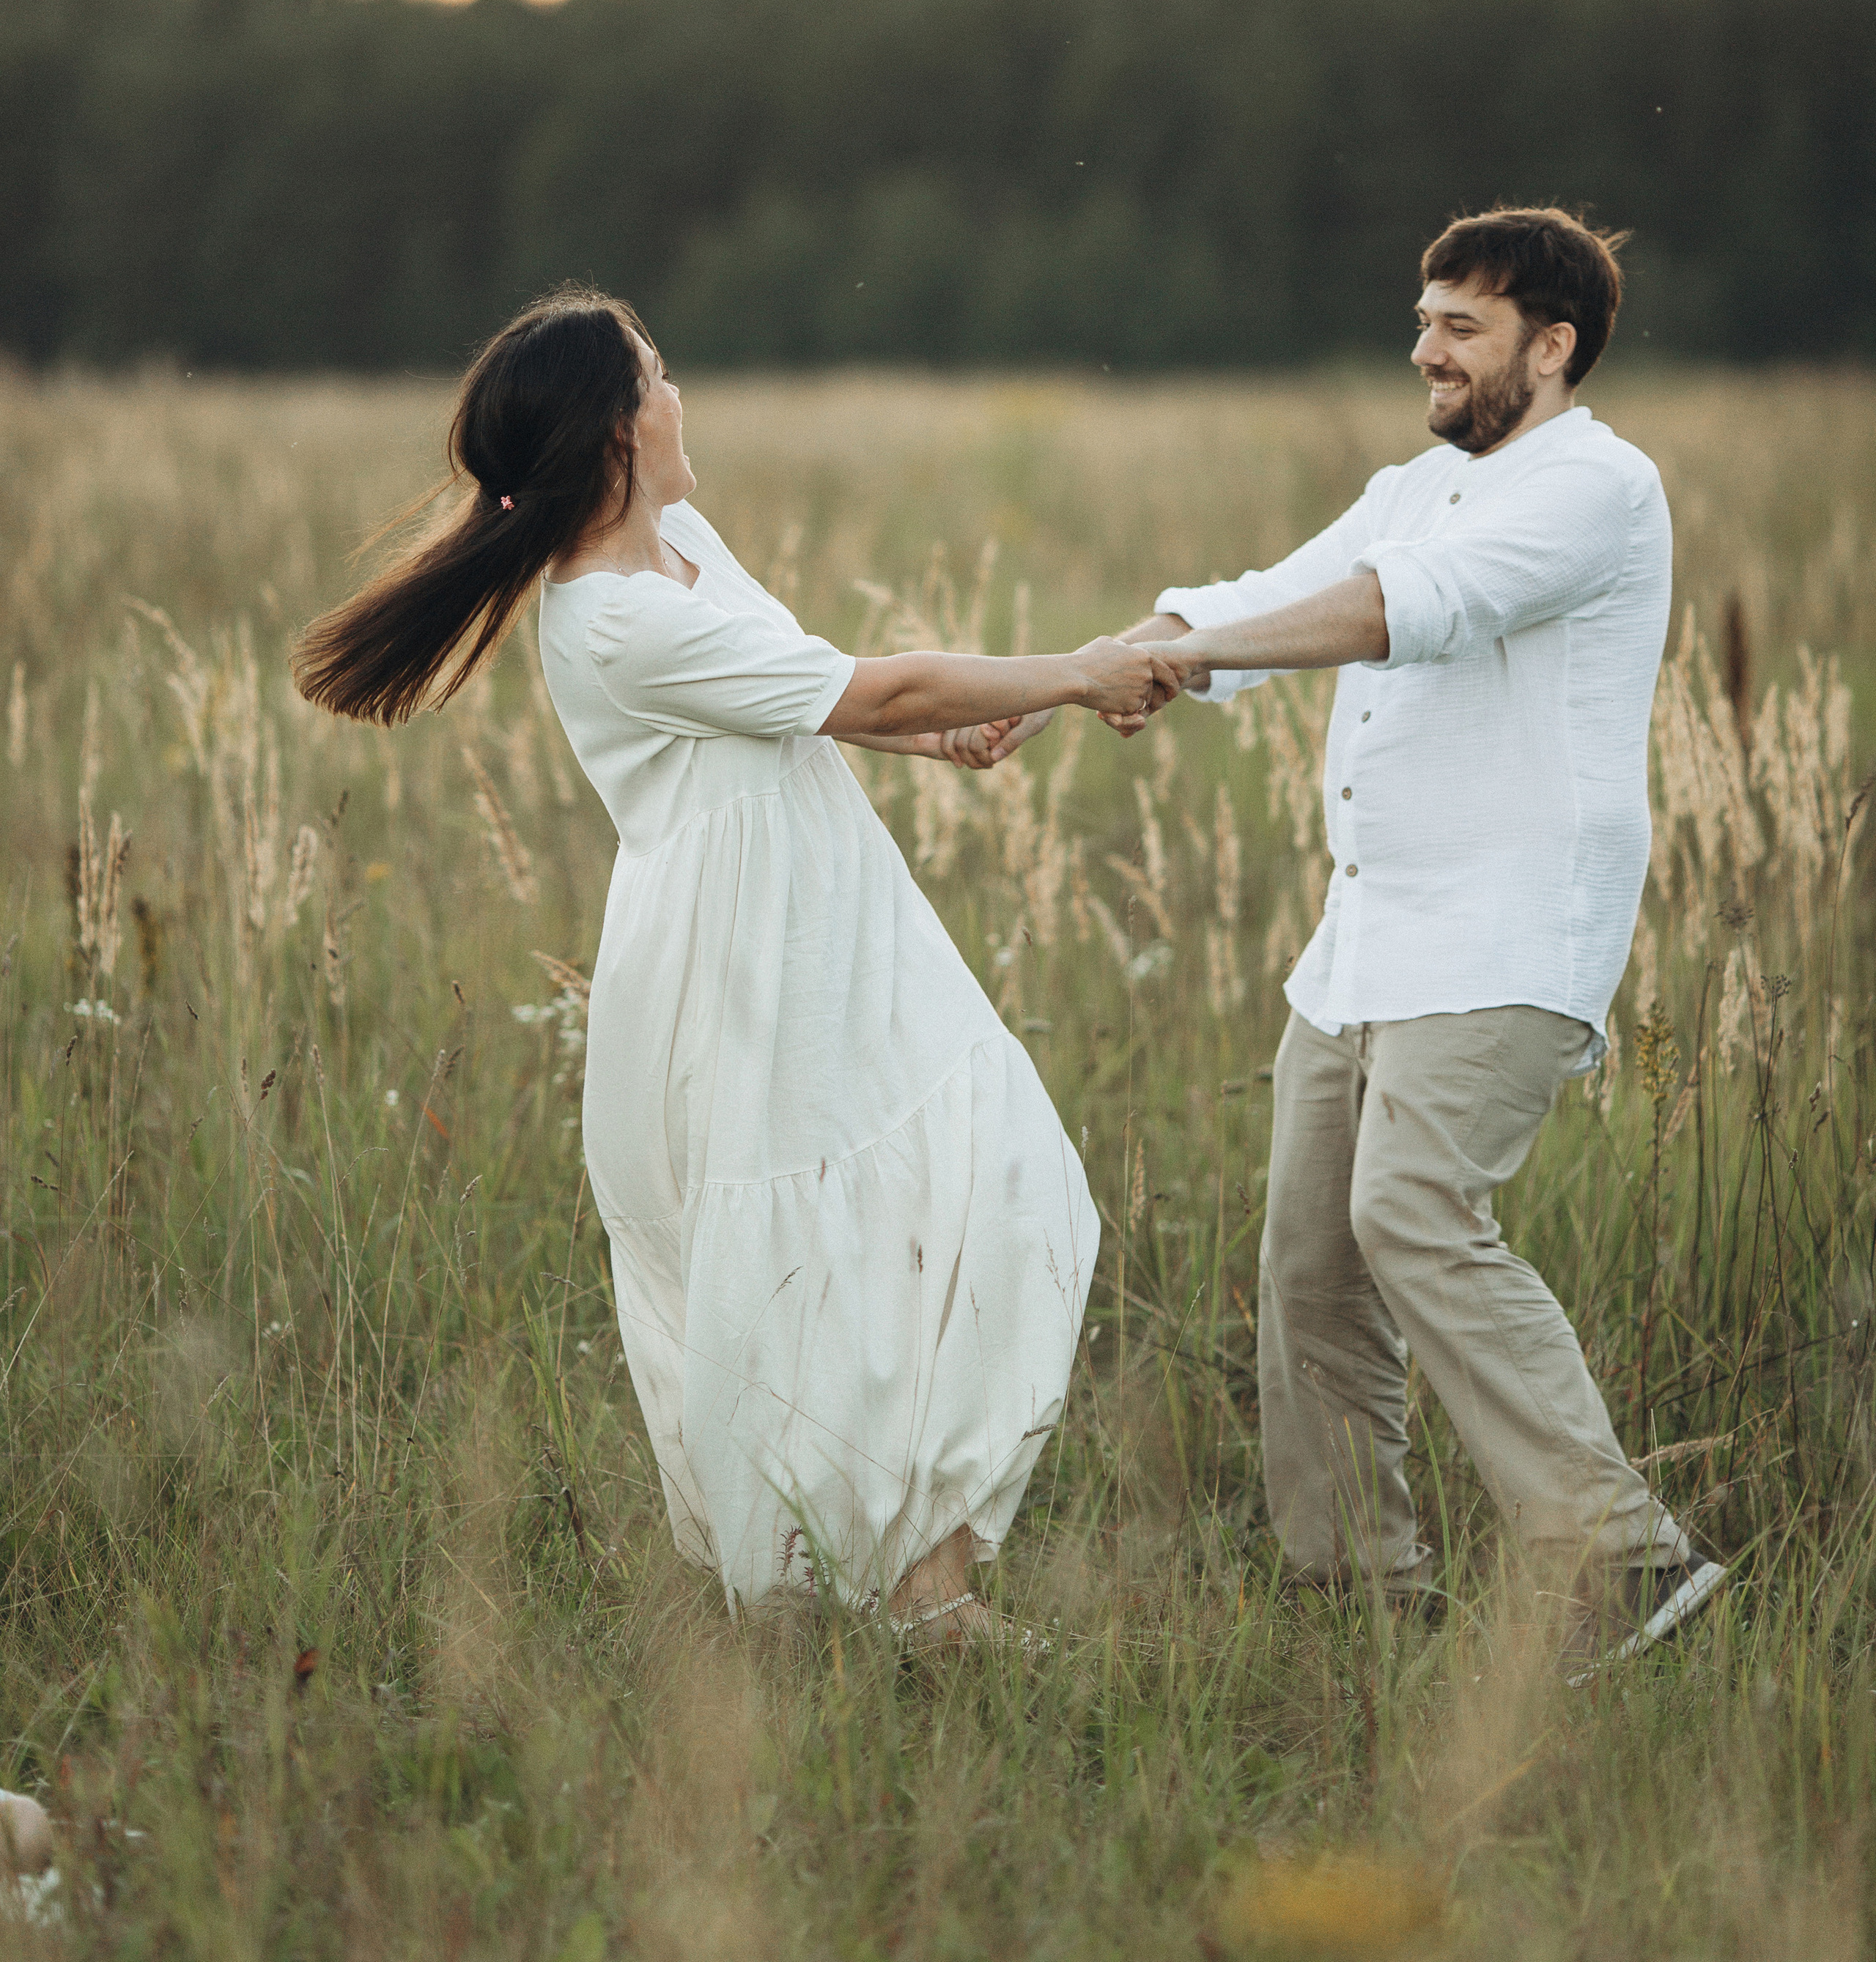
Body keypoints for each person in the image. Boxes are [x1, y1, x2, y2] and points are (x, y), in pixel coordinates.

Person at [293, 289, 1177, 1638]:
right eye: (658, 376)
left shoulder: (681, 549)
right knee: (820, 1252)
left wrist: (942, 739)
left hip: (826, 913)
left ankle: (903, 1585)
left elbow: (803, 689)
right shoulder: (609, 618)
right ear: (614, 432)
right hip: (742, 952)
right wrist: (1075, 671)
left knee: (988, 1181)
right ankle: (888, 1599)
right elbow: (866, 689)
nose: (678, 394)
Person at [999, 207, 1726, 1663]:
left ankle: (1628, 1560)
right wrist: (1078, 668)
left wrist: (1180, 654)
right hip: (1366, 939)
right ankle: (1356, 1600)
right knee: (1311, 1264)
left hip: (1509, 929)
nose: (1423, 350)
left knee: (1410, 1211)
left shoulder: (1597, 488)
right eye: (1422, 320)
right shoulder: (1408, 485)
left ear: (1551, 345)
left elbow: (1409, 612)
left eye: (1459, 326)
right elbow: (1268, 596)